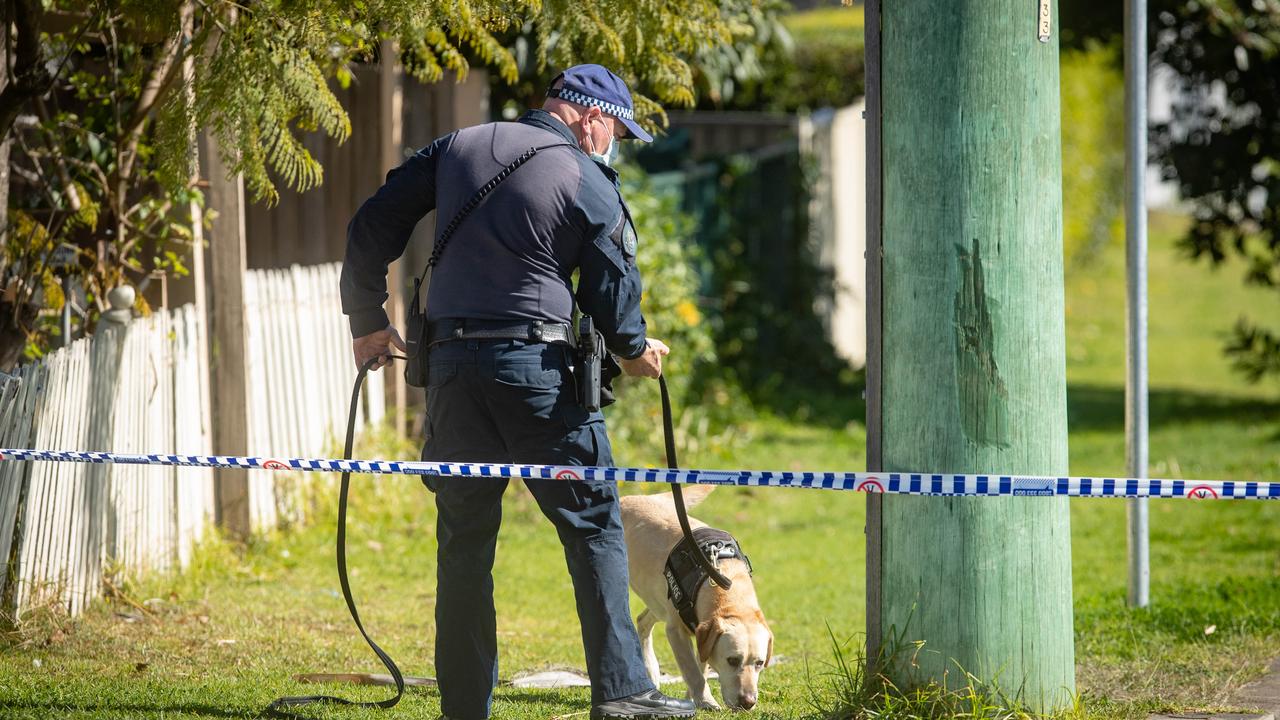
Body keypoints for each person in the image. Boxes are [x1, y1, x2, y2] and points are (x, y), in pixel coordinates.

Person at [339, 64, 696, 720]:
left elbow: (370, 226)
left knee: (464, 541)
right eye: (615, 128)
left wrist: (367, 322)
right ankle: (622, 695)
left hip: (448, 372)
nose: (612, 140)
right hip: (537, 373)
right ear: (590, 116)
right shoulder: (585, 175)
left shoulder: (453, 149)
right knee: (591, 524)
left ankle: (464, 710)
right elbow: (613, 279)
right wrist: (632, 347)